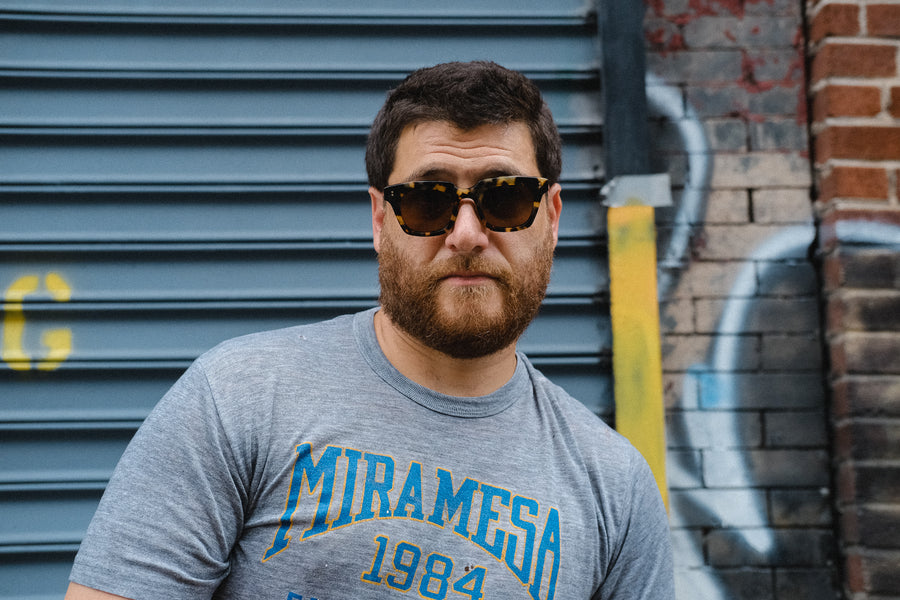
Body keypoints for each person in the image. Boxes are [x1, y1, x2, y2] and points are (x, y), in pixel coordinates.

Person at [65, 61, 674, 600]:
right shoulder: (240, 398)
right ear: (381, 219)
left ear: (552, 217)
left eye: (506, 199)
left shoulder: (613, 485)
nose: (465, 233)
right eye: (429, 202)